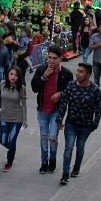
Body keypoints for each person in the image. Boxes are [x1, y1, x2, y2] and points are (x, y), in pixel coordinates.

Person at [57, 63, 101, 185]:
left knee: (80, 147)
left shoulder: (95, 90)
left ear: (88, 74)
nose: (78, 73)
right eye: (77, 71)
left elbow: (98, 109)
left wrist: (95, 123)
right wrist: (60, 118)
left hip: (86, 126)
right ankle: (65, 174)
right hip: (71, 123)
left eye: (81, 71)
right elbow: (63, 103)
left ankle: (76, 167)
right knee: (68, 147)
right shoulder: (71, 85)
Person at [31, 45, 73, 174]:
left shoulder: (66, 74)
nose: (51, 61)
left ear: (60, 58)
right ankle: (44, 162)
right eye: (49, 57)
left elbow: (70, 92)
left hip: (56, 111)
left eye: (54, 58)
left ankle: (52, 159)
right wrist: (44, 76)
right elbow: (34, 88)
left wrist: (61, 93)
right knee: (44, 137)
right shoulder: (41, 69)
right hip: (43, 110)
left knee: (52, 137)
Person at [0, 65, 27, 172]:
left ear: (19, 77)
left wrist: (25, 120)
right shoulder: (2, 84)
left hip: (17, 118)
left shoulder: (22, 88)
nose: (13, 77)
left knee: (11, 140)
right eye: (11, 74)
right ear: (7, 75)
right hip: (4, 117)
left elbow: (24, 105)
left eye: (16, 75)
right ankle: (11, 149)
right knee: (3, 141)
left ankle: (9, 162)